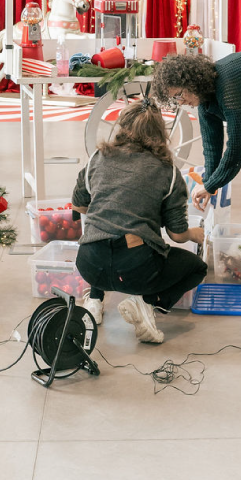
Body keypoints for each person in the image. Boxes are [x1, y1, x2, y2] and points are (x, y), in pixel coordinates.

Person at [72, 99, 206, 344]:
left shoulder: (97, 157)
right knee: (197, 267)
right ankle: (147, 303)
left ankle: (94, 301)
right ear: (159, 133)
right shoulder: (168, 171)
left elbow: (79, 206)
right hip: (136, 270)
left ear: (121, 127)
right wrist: (194, 234)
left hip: (89, 264)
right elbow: (177, 234)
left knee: (104, 234)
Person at [152, 52, 241, 209]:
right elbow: (211, 147)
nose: (181, 102)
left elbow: (237, 146)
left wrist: (210, 186)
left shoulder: (228, 86)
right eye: (175, 99)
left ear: (191, 82)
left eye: (179, 95)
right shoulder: (204, 99)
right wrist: (208, 182)